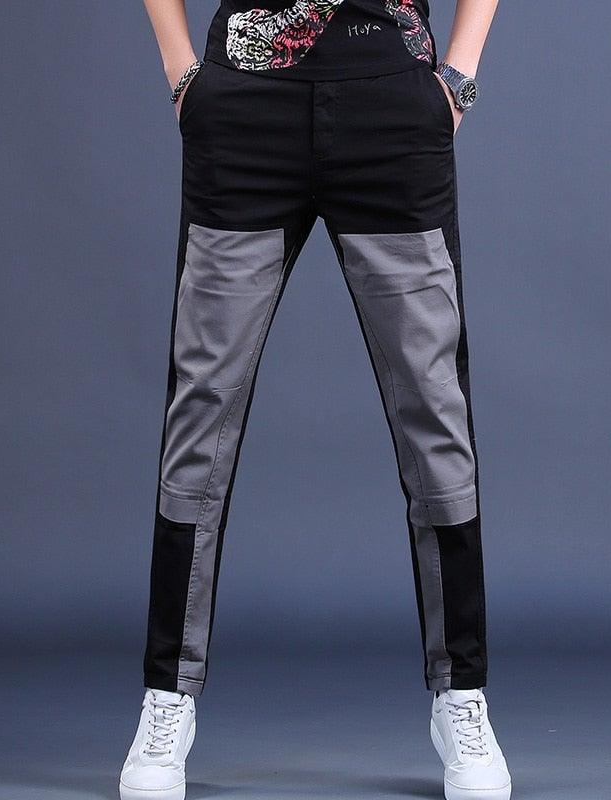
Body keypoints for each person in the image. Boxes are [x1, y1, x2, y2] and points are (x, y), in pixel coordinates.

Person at [119, 2, 510, 799]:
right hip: (244, 114)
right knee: (200, 410)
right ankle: (167, 695)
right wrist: (180, 71)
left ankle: (461, 692)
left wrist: (459, 78)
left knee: (433, 409)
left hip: (390, 109)